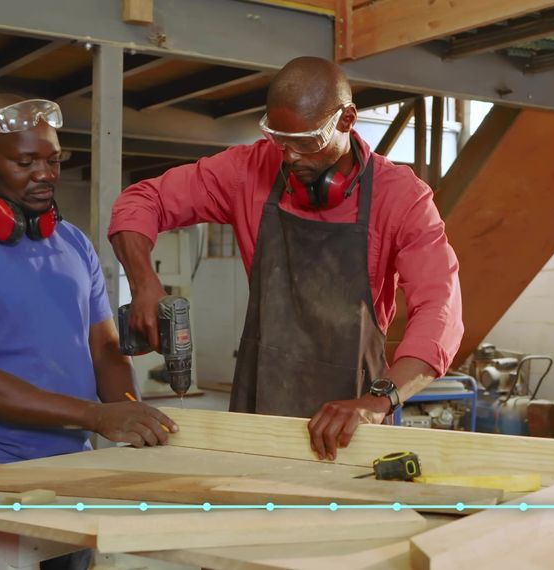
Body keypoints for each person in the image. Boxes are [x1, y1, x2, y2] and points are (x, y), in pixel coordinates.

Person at [109, 56, 463, 460]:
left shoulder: (402, 197)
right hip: (257, 411)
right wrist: (143, 283)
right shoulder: (248, 170)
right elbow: (141, 201)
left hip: (356, 424)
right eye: (279, 140)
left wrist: (376, 401)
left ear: (346, 120)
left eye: (306, 142)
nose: (289, 157)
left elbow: (440, 312)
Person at [0, 94, 177, 570]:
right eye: (26, 161)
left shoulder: (72, 243)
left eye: (53, 160)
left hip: (73, 473)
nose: (46, 174)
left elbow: (105, 348)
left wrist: (131, 416)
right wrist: (96, 417)